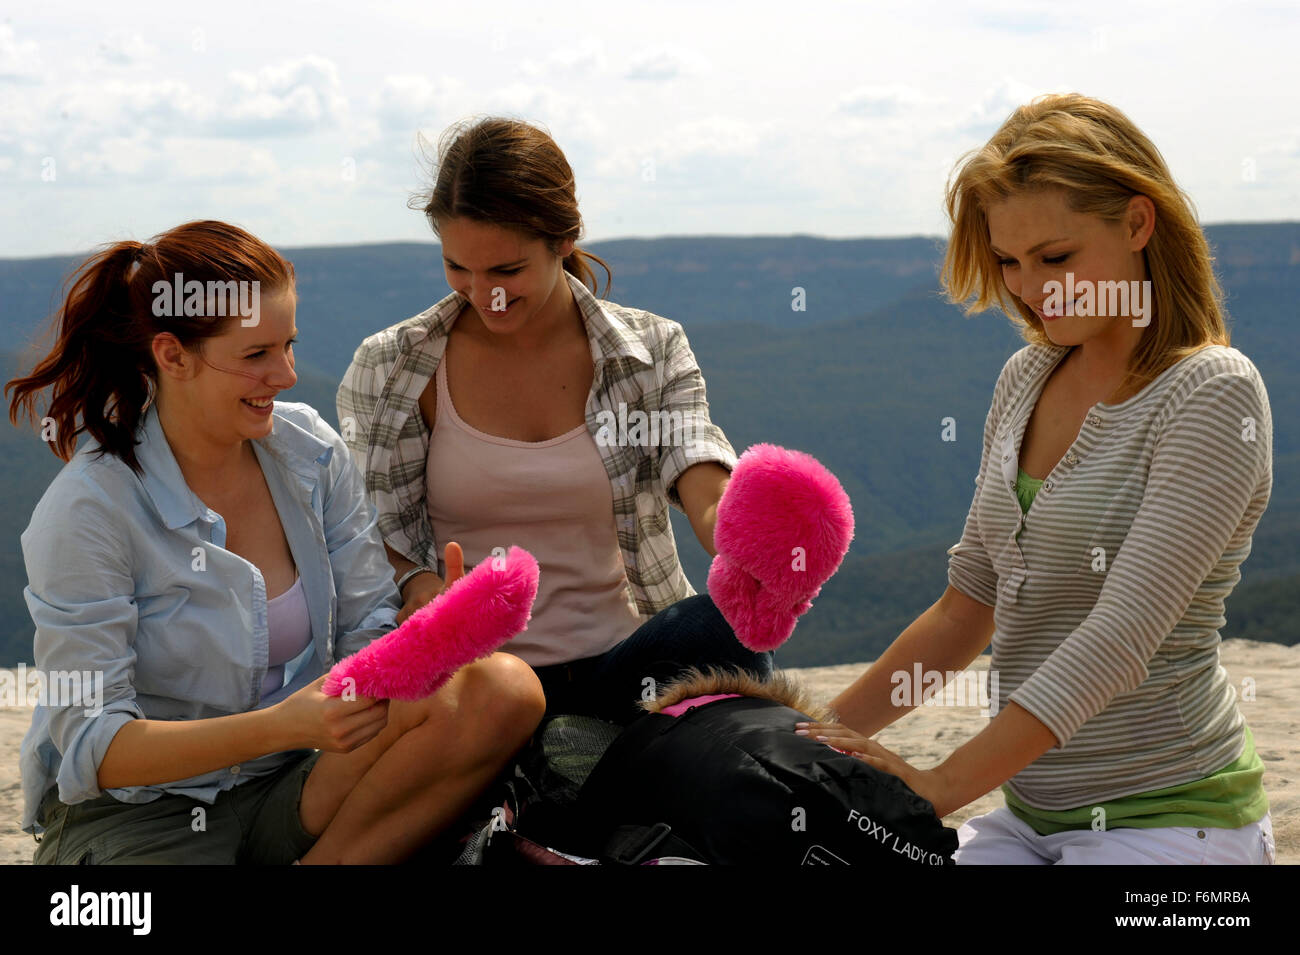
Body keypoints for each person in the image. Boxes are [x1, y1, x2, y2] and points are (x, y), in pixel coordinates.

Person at [800, 93, 1275, 864]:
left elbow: (1121, 638)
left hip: (1178, 815)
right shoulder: (1026, 377)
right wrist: (823, 736)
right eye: (1008, 262)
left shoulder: (1212, 392)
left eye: (1056, 257)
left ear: (1137, 223)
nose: (1028, 288)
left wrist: (940, 785)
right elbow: (968, 604)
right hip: (1030, 816)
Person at [6, 220, 545, 864]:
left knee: (500, 690)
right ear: (171, 355)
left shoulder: (308, 453)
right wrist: (281, 726)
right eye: (257, 354)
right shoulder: (91, 509)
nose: (287, 375)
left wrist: (431, 636)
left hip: (295, 782)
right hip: (145, 819)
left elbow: (366, 630)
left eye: (289, 345)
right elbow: (93, 744)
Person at [337, 117, 771, 723]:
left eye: (507, 271)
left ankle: (567, 770)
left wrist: (751, 541)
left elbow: (696, 464)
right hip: (478, 687)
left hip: (623, 666)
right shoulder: (391, 367)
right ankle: (580, 770)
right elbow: (366, 531)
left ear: (564, 240)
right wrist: (419, 589)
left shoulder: (652, 348)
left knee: (724, 623)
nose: (483, 293)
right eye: (459, 268)